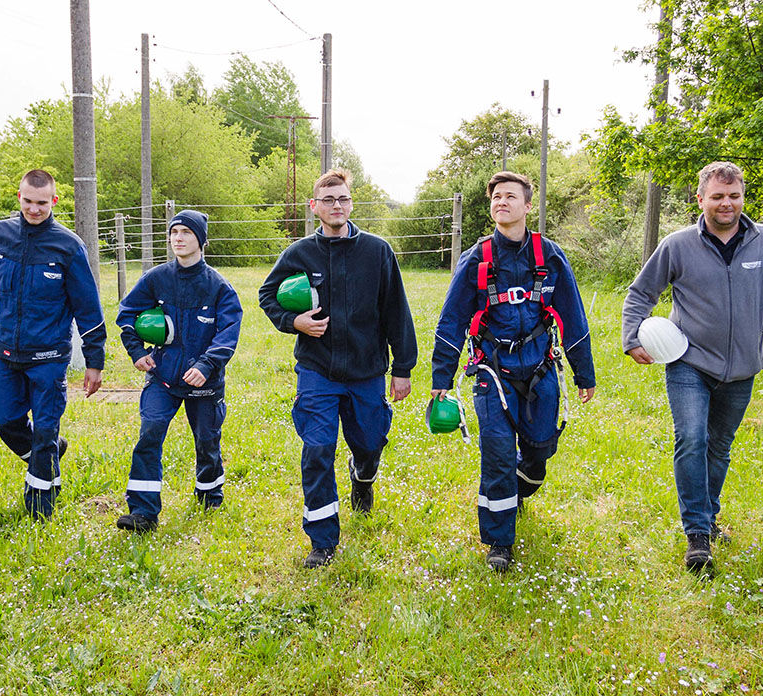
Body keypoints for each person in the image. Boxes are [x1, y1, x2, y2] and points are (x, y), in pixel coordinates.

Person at [621, 161, 763, 572]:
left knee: (719, 447)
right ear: (700, 199)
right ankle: (698, 535)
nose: (726, 204)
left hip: (741, 369)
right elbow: (640, 293)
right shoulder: (678, 245)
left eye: (733, 196)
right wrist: (632, 338)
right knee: (692, 440)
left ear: (742, 197)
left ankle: (709, 515)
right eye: (717, 197)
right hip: (689, 363)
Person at [430, 171, 596, 573]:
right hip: (493, 371)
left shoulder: (550, 256)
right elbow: (451, 319)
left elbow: (573, 315)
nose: (501, 202)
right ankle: (499, 541)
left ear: (527, 205)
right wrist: (442, 379)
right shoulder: (478, 258)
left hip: (540, 368)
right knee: (498, 455)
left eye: (510, 196)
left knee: (540, 450)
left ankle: (521, 488)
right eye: (496, 198)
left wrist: (584, 372)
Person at [258, 169, 417, 568]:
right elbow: (266, 295)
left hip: (367, 371)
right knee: (317, 449)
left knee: (369, 443)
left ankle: (362, 476)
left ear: (351, 203)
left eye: (343, 199)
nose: (336, 206)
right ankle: (322, 541)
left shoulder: (377, 251)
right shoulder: (299, 253)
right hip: (318, 370)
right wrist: (295, 322)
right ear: (314, 207)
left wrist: (403, 367)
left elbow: (396, 310)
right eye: (328, 200)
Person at [0, 169, 106, 519]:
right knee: (4, 420)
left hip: (48, 357)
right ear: (19, 198)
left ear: (54, 201)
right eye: (28, 201)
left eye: (42, 203)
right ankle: (49, 452)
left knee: (45, 427)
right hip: (6, 353)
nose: (34, 209)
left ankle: (40, 509)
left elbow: (87, 307)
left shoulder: (68, 246)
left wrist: (95, 360)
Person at [114, 210, 242, 532]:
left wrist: (206, 365)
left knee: (207, 441)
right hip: (163, 377)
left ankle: (209, 495)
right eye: (174, 232)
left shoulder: (218, 287)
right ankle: (143, 512)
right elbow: (126, 313)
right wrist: (136, 353)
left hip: (203, 382)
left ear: (201, 240)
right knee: (150, 434)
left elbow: (228, 332)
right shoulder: (156, 278)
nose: (178, 238)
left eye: (186, 232)